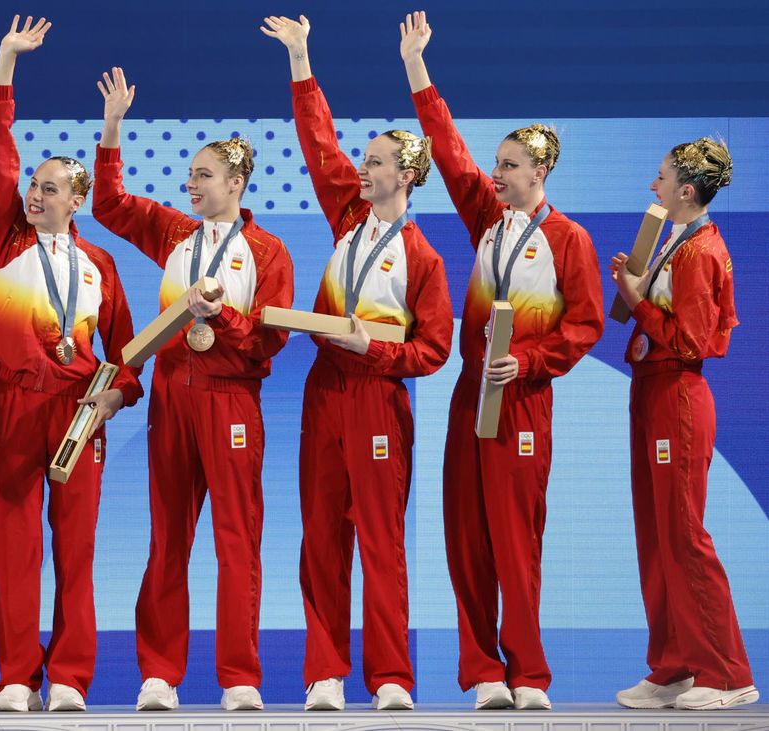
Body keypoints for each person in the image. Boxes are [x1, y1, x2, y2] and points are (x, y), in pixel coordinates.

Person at [400, 11, 604, 710]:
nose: (498, 172)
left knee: (517, 540)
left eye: (511, 165)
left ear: (540, 170)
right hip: (468, 395)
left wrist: (532, 360)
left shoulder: (569, 239)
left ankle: (530, 675)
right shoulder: (487, 218)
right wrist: (416, 69)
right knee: (466, 536)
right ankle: (483, 671)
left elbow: (587, 323)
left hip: (521, 399)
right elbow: (448, 150)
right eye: (499, 164)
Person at [261, 14, 452, 712]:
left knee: (381, 538)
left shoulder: (423, 257)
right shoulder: (347, 215)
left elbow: (434, 349)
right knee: (320, 535)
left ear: (403, 175)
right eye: (363, 161)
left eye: (372, 162)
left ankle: (393, 675)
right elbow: (318, 142)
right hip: (324, 392)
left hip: (377, 394)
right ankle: (325, 672)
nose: (359, 168)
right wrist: (302, 56)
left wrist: (374, 347)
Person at [93, 67, 294, 713]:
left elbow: (270, 341)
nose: (191, 183)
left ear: (235, 183)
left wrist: (220, 318)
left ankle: (239, 675)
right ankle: (159, 673)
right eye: (191, 174)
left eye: (203, 174)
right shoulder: (174, 233)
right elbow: (109, 205)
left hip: (232, 400)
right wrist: (113, 127)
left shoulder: (268, 250)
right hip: (172, 397)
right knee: (167, 537)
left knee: (238, 540)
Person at [0, 15, 144, 713]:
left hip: (80, 413)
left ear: (77, 200)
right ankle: (18, 675)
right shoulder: (5, 240)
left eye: (49, 187)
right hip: (14, 405)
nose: (33, 193)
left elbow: (128, 355)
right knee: (14, 548)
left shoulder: (100, 263)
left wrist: (116, 395)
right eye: (33, 185)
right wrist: (5, 65)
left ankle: (71, 676)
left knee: (75, 550)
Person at [609, 139, 759, 711]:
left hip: (678, 394)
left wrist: (634, 299)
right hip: (651, 388)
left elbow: (692, 338)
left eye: (662, 176)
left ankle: (726, 672)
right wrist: (638, 286)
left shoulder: (700, 251)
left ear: (687, 191)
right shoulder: (680, 240)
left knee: (683, 533)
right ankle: (674, 665)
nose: (654, 186)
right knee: (656, 533)